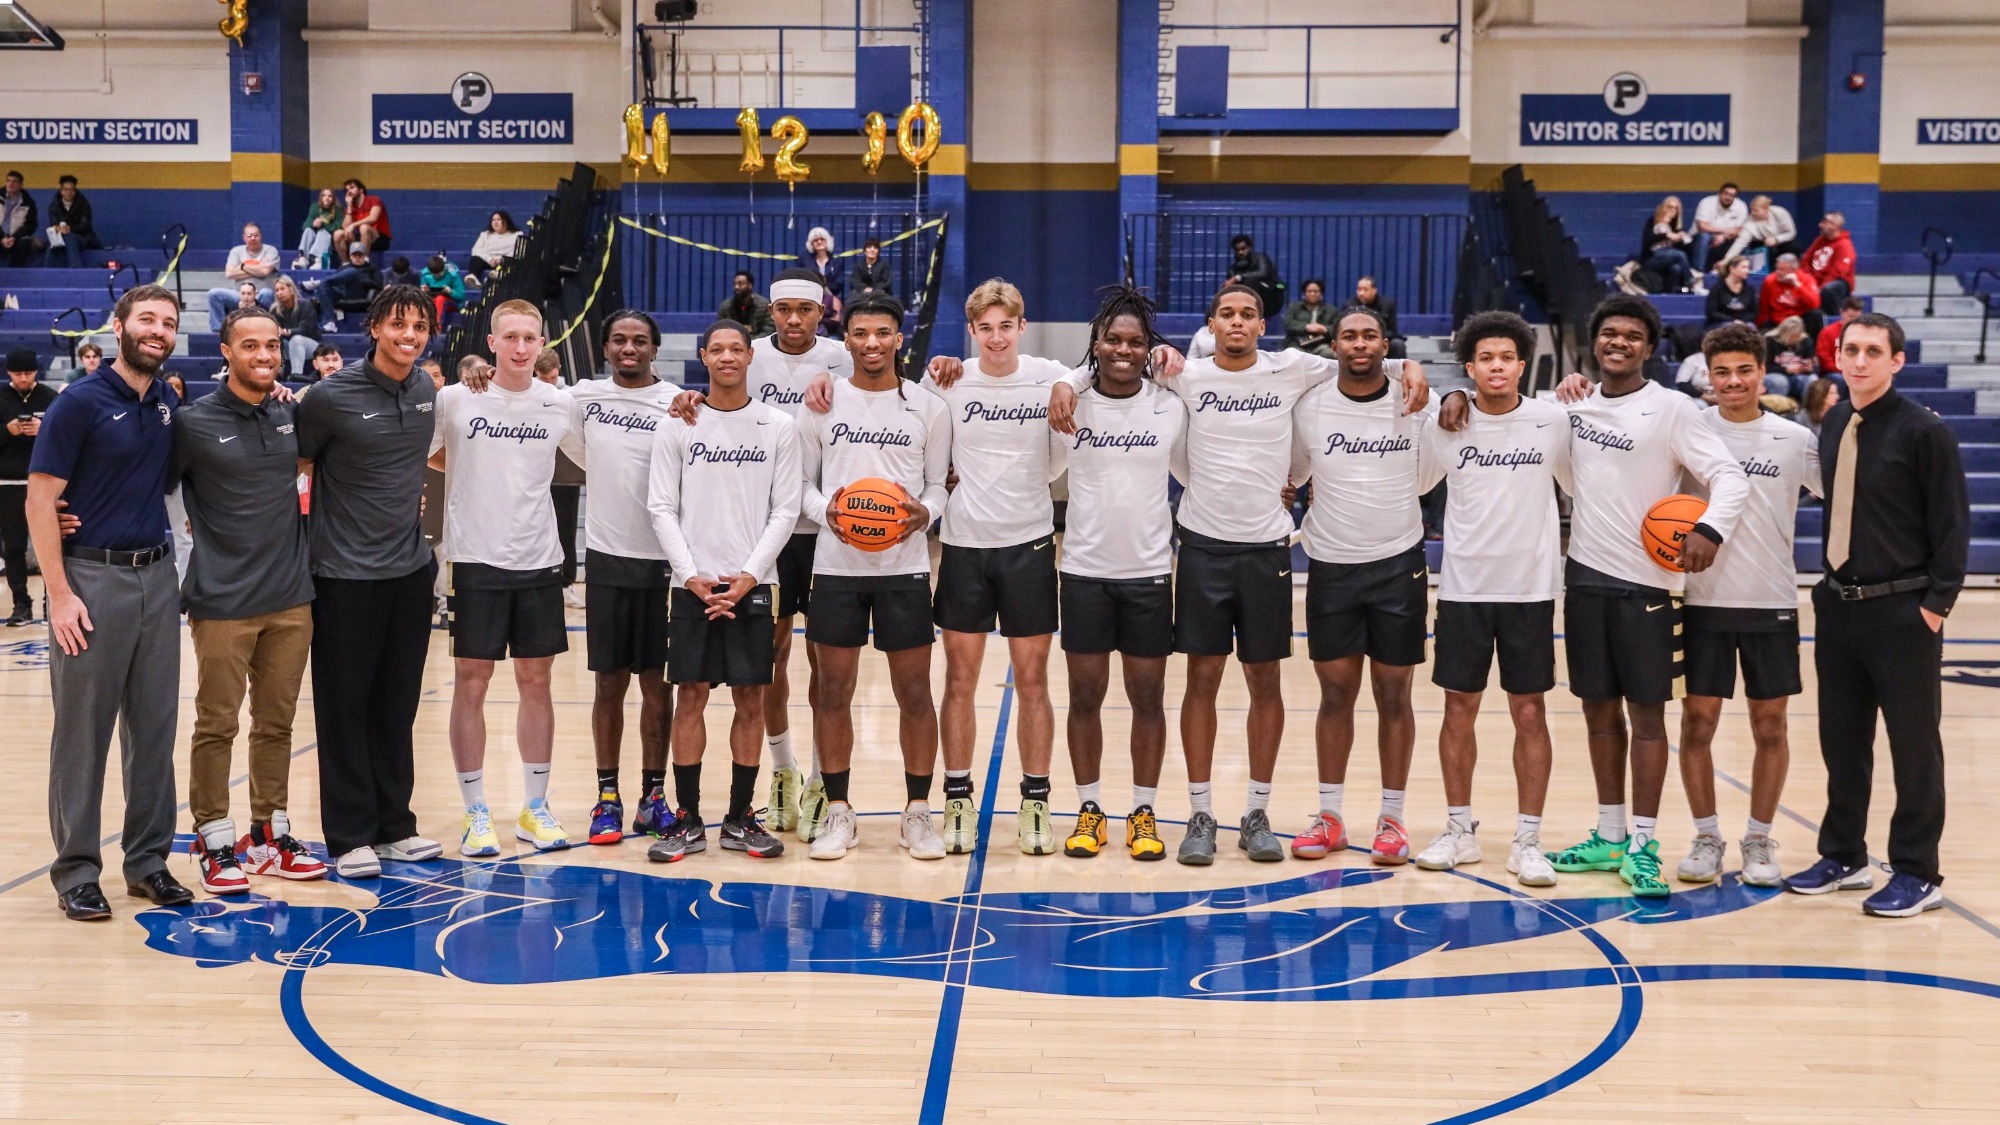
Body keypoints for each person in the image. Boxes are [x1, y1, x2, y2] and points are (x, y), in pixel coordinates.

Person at [1048, 284, 1429, 866]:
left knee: (1265, 685)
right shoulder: (1186, 376)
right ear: (1210, 324)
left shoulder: (1291, 369)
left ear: (1261, 325)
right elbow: (1101, 365)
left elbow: (1361, 357)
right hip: (1201, 549)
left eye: (1248, 314)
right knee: (1200, 681)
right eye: (1227, 313)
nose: (1237, 322)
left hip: (1266, 549)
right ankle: (1200, 812)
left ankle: (1257, 811)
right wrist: (1063, 383)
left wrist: (1410, 365)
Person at [1528, 296, 1750, 898]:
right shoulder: (1571, 407)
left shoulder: (1675, 409)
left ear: (1649, 349)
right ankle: (1609, 833)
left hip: (1650, 586)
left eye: (1631, 335)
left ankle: (1645, 844)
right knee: (1598, 712)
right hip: (1585, 579)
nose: (1618, 342)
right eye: (1608, 333)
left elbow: (1730, 476)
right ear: (1593, 344)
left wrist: (1709, 529)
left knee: (1647, 718)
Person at [1787, 312, 1969, 917]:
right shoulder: (1836, 419)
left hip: (1903, 611)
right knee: (1842, 741)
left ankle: (1918, 870)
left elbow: (1952, 525)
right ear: (1837, 357)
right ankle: (1845, 855)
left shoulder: (1925, 432)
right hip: (1839, 605)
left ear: (1896, 360)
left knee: (1914, 747)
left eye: (1872, 351)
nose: (1859, 360)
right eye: (1850, 350)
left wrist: (1935, 607)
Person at [27, 284, 193, 920]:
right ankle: (75, 871)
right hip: (90, 583)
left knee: (153, 729)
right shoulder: (79, 402)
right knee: (83, 732)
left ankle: (148, 863)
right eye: (146, 319)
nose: (157, 330)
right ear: (119, 326)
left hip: (158, 577)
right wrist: (60, 595)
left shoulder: (167, 406)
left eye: (167, 323)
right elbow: (40, 501)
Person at [1413, 311, 1570, 887]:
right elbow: (1416, 482)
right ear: (1471, 367)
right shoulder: (1446, 424)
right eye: (1485, 359)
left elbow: (1588, 478)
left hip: (1530, 590)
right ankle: (1460, 830)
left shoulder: (1553, 422)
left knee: (1530, 712)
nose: (1497, 366)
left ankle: (1528, 839)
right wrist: (1449, 399)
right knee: (1459, 709)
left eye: (1506, 357)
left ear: (1522, 364)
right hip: (1464, 588)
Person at [792, 293, 951, 861]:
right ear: (848, 338)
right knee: (833, 693)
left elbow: (937, 486)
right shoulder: (821, 404)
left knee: (915, 693)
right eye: (861, 333)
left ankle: (917, 813)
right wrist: (826, 514)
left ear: (899, 337)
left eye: (883, 332)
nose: (872, 343)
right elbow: (802, 486)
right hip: (835, 569)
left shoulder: (927, 408)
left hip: (904, 569)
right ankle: (839, 811)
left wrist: (924, 515)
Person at [172, 306, 326, 894]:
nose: (264, 355)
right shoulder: (192, 423)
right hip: (221, 601)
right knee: (216, 724)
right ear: (227, 353)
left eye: (272, 345)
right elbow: (145, 481)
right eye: (251, 346)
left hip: (291, 598)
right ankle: (213, 837)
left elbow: (322, 466)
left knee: (278, 723)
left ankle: (269, 832)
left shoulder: (291, 414)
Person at [295, 284, 445, 879]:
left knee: (397, 704)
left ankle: (394, 827)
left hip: (410, 573)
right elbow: (298, 468)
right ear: (375, 328)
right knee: (344, 707)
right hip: (343, 575)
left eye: (418, 328)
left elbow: (424, 464)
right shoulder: (329, 397)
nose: (408, 336)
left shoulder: (428, 388)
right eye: (398, 325)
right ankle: (350, 835)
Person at [916, 279, 1069, 855]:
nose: (998, 337)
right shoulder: (948, 380)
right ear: (972, 331)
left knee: (1033, 681)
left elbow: (1076, 380)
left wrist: (1060, 382)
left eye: (1007, 326)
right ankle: (957, 799)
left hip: (1028, 545)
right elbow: (904, 411)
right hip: (963, 547)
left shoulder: (1046, 372)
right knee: (960, 680)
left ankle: (1035, 802)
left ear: (1021, 327)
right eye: (986, 327)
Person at [1672, 323, 1822, 889]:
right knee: (1697, 722)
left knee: (1770, 725)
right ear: (1707, 377)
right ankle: (1707, 837)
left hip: (1772, 598)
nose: (1733, 381)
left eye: (1743, 370)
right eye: (1721, 372)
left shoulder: (1793, 439)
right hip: (1702, 600)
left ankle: (1759, 839)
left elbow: (1845, 486)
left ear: (1763, 372)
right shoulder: (1689, 430)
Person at [644, 318, 799, 861]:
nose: (728, 357)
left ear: (750, 357)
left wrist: (748, 576)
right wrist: (691, 576)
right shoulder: (678, 424)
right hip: (693, 585)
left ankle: (738, 817)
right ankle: (687, 819)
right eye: (718, 349)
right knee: (690, 695)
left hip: (753, 587)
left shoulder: (778, 426)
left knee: (751, 699)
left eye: (738, 348)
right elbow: (661, 506)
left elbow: (785, 509)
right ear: (704, 357)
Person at [428, 299, 575, 856]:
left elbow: (598, 452)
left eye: (529, 338)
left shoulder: (559, 404)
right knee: (472, 683)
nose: (519, 347)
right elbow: (432, 454)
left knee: (537, 683)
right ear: (491, 343)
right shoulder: (456, 399)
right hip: (476, 559)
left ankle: (535, 808)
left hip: (539, 560)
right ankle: (475, 812)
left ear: (542, 345)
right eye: (509, 337)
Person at [1287, 306, 1428, 865]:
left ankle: (1392, 821)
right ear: (1335, 345)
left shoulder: (1416, 400)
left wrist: (1425, 374)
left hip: (1398, 566)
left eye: (1370, 335)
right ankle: (1330, 817)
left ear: (1385, 344)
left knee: (1395, 696)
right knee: (1335, 695)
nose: (1359, 343)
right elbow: (1291, 475)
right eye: (1349, 335)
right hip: (1332, 567)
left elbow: (1450, 431)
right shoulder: (1312, 406)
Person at [1056, 286, 1186, 861]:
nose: (1124, 349)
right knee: (1084, 697)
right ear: (1096, 344)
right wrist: (1069, 380)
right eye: (1113, 339)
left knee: (1148, 699)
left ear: (1149, 347)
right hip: (1083, 572)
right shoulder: (1070, 402)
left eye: (1136, 341)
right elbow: (1044, 376)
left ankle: (1142, 810)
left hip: (1150, 574)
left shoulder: (1170, 405)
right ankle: (1088, 809)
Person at [563, 311, 680, 846]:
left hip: (665, 564)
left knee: (658, 686)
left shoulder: (678, 404)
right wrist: (473, 368)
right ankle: (606, 796)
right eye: (618, 340)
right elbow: (521, 392)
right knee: (608, 683)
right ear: (605, 349)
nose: (628, 348)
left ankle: (653, 797)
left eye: (639, 341)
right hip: (607, 560)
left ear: (654, 348)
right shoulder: (583, 399)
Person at [745, 270, 851, 835]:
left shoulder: (846, 356)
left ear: (821, 312)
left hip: (831, 530)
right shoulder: (750, 355)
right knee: (771, 656)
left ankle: (818, 776)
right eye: (782, 309)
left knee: (825, 663)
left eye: (803, 310)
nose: (792, 320)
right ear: (770, 310)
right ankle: (782, 770)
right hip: (770, 531)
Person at [2, 347, 58, 625]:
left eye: (28, 372)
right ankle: (21, 604)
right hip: (8, 483)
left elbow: (67, 438)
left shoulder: (51, 397)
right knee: (13, 547)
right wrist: (6, 430)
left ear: (37, 371)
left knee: (51, 545)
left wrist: (44, 429)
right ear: (8, 372)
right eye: (17, 373)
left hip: (46, 482)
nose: (23, 378)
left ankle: (53, 602)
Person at [206, 223, 278, 328]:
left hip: (260, 294)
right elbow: (230, 273)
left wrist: (243, 266)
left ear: (261, 236)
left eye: (256, 235)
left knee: (266, 294)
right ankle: (219, 330)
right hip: (239, 294)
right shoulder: (236, 251)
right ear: (244, 237)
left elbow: (265, 272)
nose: (253, 238)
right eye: (249, 235)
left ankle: (265, 327)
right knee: (214, 294)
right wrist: (258, 267)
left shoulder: (270, 250)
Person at [313, 244, 383, 331]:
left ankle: (318, 281)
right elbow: (334, 281)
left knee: (352, 272)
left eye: (360, 255)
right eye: (355, 255)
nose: (357, 257)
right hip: (341, 292)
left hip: (358, 294)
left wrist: (363, 280)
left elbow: (379, 285)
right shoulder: (343, 267)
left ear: (365, 256)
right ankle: (330, 322)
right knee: (323, 286)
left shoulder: (372, 268)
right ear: (350, 256)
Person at [1724, 194, 1798, 272]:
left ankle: (1794, 271)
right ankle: (1771, 275)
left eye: (1756, 210)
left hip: (1781, 241)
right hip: (1761, 245)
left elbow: (1791, 233)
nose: (1753, 213)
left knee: (1794, 247)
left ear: (1766, 209)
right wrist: (1727, 260)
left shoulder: (1780, 213)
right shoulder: (1750, 222)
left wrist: (1776, 239)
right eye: (1752, 210)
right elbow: (1740, 242)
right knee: (1771, 249)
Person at [1803, 211, 1857, 317]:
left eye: (1824, 222)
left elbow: (1837, 272)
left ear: (1834, 226)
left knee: (1828, 290)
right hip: (1814, 280)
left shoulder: (1844, 245)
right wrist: (1808, 281)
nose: (1820, 225)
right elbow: (1805, 260)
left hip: (1837, 283)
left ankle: (1835, 319)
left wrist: (1819, 288)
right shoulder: (1819, 241)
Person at [1639, 196, 1697, 294]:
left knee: (1676, 268)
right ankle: (1690, 281)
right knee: (1680, 255)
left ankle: (1670, 292)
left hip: (1668, 257)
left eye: (1676, 208)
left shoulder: (1676, 228)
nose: (1673, 210)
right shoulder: (1655, 223)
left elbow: (1683, 247)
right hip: (1652, 258)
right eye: (1670, 207)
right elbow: (1648, 240)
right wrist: (1667, 236)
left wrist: (1681, 239)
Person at [268, 276, 321, 379]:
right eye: (277, 290)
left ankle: (296, 375)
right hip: (288, 346)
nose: (279, 293)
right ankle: (278, 373)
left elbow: (305, 330)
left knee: (296, 340)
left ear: (291, 289)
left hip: (312, 346)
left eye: (282, 289)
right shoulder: (275, 310)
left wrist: (286, 332)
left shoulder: (305, 305)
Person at [1758, 253, 1822, 336]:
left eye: (1781, 270)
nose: (1777, 272)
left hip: (1800, 322)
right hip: (1778, 323)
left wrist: (1798, 285)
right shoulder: (1769, 281)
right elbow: (1763, 309)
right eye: (1776, 268)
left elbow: (1815, 304)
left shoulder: (1807, 279)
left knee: (1816, 314)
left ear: (1793, 270)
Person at [43, 175, 97, 268]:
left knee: (69, 237)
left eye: (71, 190)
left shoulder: (83, 204)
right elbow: (53, 223)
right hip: (61, 237)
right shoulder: (54, 206)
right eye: (66, 190)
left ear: (75, 191)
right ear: (61, 191)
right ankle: (47, 270)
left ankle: (76, 268)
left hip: (83, 238)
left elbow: (85, 226)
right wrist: (59, 228)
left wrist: (70, 229)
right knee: (53, 239)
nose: (69, 192)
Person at [1693, 181, 1748, 269]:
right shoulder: (1706, 202)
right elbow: (1702, 227)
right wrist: (1725, 231)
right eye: (1726, 194)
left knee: (1743, 239)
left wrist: (1724, 236)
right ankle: (1698, 273)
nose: (1728, 197)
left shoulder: (1741, 205)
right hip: (1703, 238)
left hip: (1727, 239)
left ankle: (1741, 273)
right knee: (1704, 237)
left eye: (1732, 195)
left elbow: (1739, 230)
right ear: (1720, 193)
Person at [332, 177, 391, 258]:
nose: (349, 191)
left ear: (361, 190)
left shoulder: (374, 200)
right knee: (338, 233)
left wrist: (353, 225)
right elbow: (346, 227)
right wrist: (349, 206)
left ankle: (364, 261)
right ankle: (345, 264)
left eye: (352, 187)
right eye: (347, 190)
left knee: (364, 228)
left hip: (379, 238)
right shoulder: (350, 207)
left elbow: (373, 218)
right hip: (361, 238)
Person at [1226, 233, 1281, 316]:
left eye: (1244, 249)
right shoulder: (1233, 268)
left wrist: (1238, 277)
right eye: (1237, 250)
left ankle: (1251, 311)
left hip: (1271, 296)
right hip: (1245, 299)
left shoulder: (1261, 258)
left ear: (1250, 248)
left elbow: (1263, 273)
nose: (1240, 252)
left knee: (1250, 282)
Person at [1764, 315, 1817, 398]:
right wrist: (1786, 370)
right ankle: (1778, 410)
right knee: (1780, 382)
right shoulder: (1769, 341)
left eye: (1797, 336)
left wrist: (1808, 368)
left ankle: (1807, 410)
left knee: (1812, 379)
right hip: (1775, 374)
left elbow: (1812, 365)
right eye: (1792, 337)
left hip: (1798, 376)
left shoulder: (1805, 341)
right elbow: (1765, 367)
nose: (1794, 339)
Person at [1281, 280, 1336, 358]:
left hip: (1321, 344)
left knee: (1330, 354)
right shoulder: (1294, 307)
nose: (1312, 294)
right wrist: (1306, 327)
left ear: (1321, 293)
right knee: (1294, 356)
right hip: (1297, 344)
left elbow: (1337, 329)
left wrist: (1324, 329)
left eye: (1316, 291)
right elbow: (1287, 323)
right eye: (1309, 291)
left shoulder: (1331, 310)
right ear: (1304, 293)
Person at [1352, 277, 1405, 358]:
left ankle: (1398, 370)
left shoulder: (1387, 305)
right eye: (1359, 289)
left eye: (1365, 290)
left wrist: (1374, 337)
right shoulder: (1349, 306)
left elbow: (1392, 330)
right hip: (1357, 340)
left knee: (1398, 344)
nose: (1361, 293)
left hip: (1381, 339)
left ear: (1374, 291)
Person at [805, 226, 846, 327]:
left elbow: (839, 283)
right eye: (815, 240)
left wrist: (823, 288)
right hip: (810, 296)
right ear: (811, 245)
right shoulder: (805, 261)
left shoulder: (836, 262)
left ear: (827, 241)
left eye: (822, 239)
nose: (819, 242)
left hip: (830, 297)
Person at [294, 187, 341, 270]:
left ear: (333, 199)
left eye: (330, 196)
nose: (327, 198)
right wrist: (313, 224)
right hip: (314, 238)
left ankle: (316, 260)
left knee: (322, 232)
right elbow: (305, 224)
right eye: (324, 195)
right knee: (308, 230)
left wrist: (323, 225)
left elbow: (337, 227)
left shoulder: (338, 210)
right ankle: (303, 259)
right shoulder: (315, 207)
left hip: (328, 240)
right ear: (321, 197)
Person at [719, 271, 776, 339]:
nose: (736, 287)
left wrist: (751, 342)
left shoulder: (764, 305)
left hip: (759, 344)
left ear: (750, 286)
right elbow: (720, 329)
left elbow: (769, 329)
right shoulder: (726, 306)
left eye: (740, 284)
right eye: (735, 284)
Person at [468, 210, 521, 283]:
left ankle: (498, 273)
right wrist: (489, 259)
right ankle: (472, 277)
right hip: (490, 261)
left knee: (512, 262)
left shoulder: (517, 235)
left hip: (505, 262)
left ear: (506, 221)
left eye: (498, 219)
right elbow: (476, 250)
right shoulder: (485, 235)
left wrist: (501, 259)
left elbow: (519, 252)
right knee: (475, 258)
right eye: (493, 220)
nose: (495, 222)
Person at [1817, 296, 1864, 376]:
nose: (1854, 321)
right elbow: (1824, 358)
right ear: (1842, 312)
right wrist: (1842, 369)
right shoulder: (1827, 332)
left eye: (1857, 318)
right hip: (1834, 372)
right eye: (1851, 317)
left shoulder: (1865, 333)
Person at [1704, 255, 1756, 327]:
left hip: (1742, 323)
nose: (1747, 271)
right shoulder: (1717, 288)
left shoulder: (1749, 289)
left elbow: (1753, 313)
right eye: (1744, 267)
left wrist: (1742, 321)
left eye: (1748, 268)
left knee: (1750, 327)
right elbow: (1712, 312)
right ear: (1732, 269)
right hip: (1720, 323)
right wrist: (1732, 321)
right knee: (1729, 327)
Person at [1, 170, 37, 268]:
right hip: (0, 235)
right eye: (8, 181)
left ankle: (14, 274)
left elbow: (31, 225)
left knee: (25, 243)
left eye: (14, 181)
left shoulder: (29, 202)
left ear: (21, 184)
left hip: (16, 237)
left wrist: (14, 237)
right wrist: (2, 238)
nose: (10, 184)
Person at [420, 255, 465, 326]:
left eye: (439, 274)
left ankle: (437, 327)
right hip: (432, 300)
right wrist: (423, 292)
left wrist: (451, 292)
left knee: (440, 299)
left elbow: (461, 296)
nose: (437, 277)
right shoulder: (425, 275)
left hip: (451, 303)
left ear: (444, 268)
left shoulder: (453, 275)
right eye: (434, 275)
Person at [845, 237, 891, 305]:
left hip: (879, 294)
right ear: (865, 250)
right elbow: (855, 280)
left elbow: (886, 282)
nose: (872, 250)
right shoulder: (858, 265)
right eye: (869, 247)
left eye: (875, 248)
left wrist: (873, 290)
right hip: (861, 293)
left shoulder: (884, 265)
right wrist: (864, 288)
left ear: (878, 251)